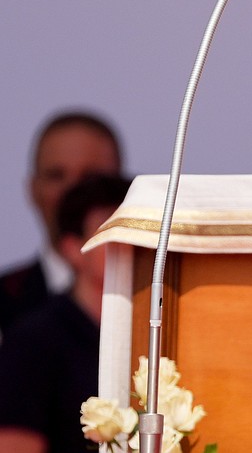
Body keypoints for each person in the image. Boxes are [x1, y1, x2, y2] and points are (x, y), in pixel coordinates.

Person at [0, 174, 132, 453]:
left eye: (136, 231)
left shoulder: (156, 327)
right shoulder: (34, 340)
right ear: (73, 249)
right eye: (111, 234)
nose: (128, 246)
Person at [0, 112, 123, 339]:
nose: (72, 192)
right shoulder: (4, 300)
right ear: (33, 190)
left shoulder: (158, 301)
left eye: (90, 178)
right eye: (56, 176)